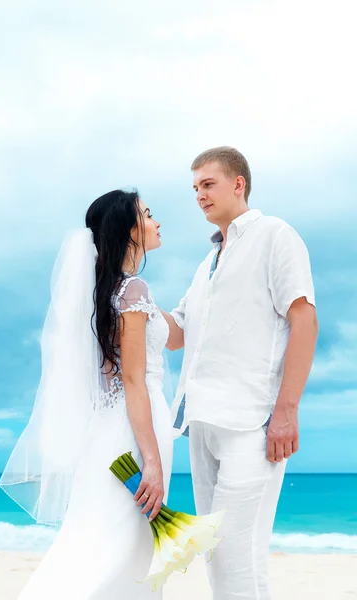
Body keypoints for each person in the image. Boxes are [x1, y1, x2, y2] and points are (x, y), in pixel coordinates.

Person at [0, 190, 173, 599]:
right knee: (116, 549)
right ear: (130, 231)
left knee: (101, 542)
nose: (156, 221)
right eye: (148, 215)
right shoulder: (133, 290)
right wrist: (152, 462)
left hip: (110, 432)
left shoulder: (109, 291)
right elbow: (134, 380)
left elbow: (176, 335)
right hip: (133, 433)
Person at [162, 147, 318, 599]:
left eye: (207, 184)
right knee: (222, 557)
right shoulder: (204, 264)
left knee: (235, 552)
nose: (199, 195)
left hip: (253, 422)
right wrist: (123, 293)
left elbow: (303, 319)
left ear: (238, 184)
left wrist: (287, 409)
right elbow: (176, 334)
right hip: (200, 423)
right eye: (194, 188)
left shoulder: (275, 235)